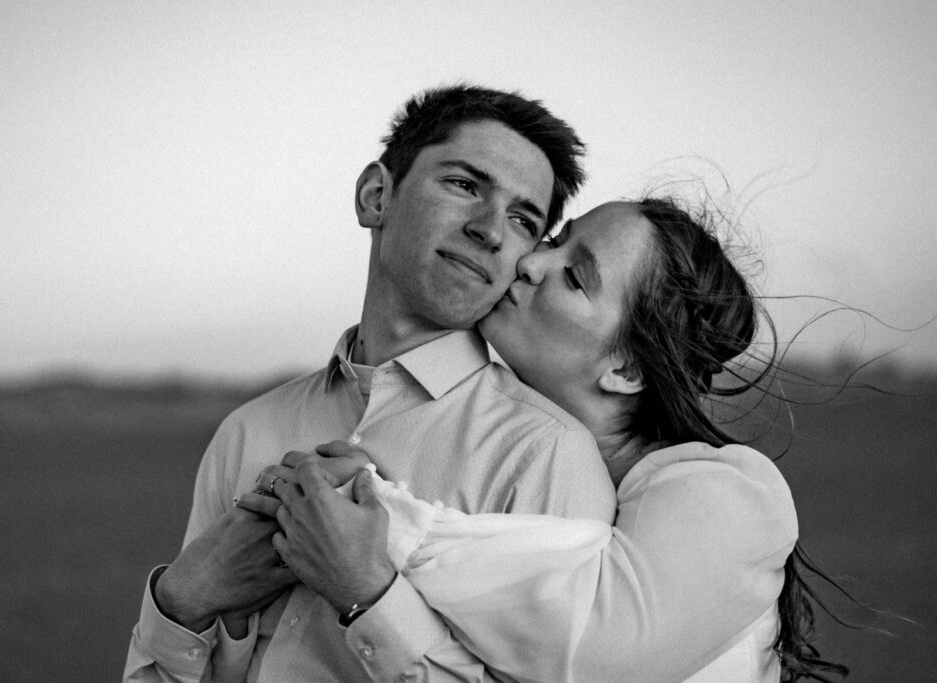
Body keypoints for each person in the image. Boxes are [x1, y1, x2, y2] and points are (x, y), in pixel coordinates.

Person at [237, 198, 849, 681]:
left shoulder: (727, 491)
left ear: (627, 369)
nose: (531, 261)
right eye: (557, 239)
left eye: (575, 276)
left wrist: (379, 535)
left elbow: (594, 652)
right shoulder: (509, 458)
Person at [123, 85, 614, 682]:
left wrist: (367, 595)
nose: (490, 230)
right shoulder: (248, 430)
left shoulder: (546, 454)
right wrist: (185, 596)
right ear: (376, 195)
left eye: (522, 219)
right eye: (464, 185)